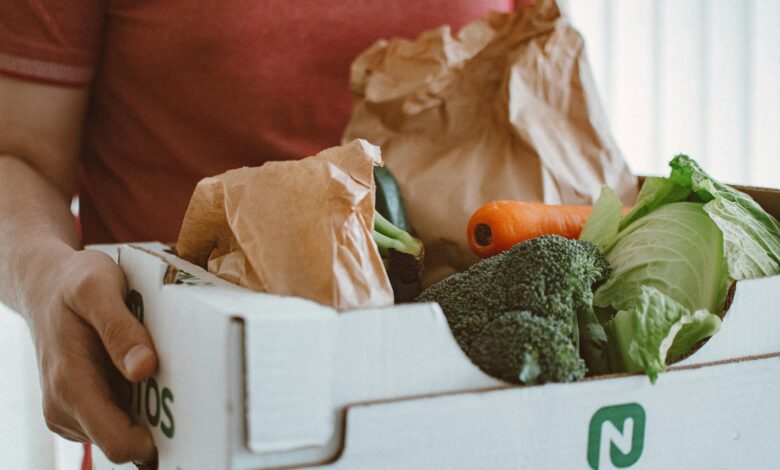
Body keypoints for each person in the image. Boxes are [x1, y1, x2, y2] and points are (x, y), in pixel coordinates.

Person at [0, 0, 522, 466]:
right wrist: (44, 278)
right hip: (188, 405)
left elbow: (534, 80)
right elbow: (16, 156)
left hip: (454, 412)